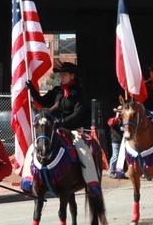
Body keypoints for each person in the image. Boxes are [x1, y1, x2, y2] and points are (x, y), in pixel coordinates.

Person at [24, 61, 99, 195]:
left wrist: (62, 121)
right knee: (32, 148)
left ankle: (92, 183)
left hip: (73, 130)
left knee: (84, 151)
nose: (61, 76)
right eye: (61, 74)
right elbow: (42, 101)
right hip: (55, 130)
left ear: (72, 76)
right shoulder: (57, 90)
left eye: (64, 74)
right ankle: (28, 181)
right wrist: (32, 90)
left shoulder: (79, 92)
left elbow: (78, 113)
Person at [106, 105, 123, 178]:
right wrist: (117, 116)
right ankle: (111, 172)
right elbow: (110, 123)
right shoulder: (113, 119)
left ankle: (120, 173)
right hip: (115, 140)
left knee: (122, 157)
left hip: (123, 141)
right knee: (115, 156)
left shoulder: (124, 120)